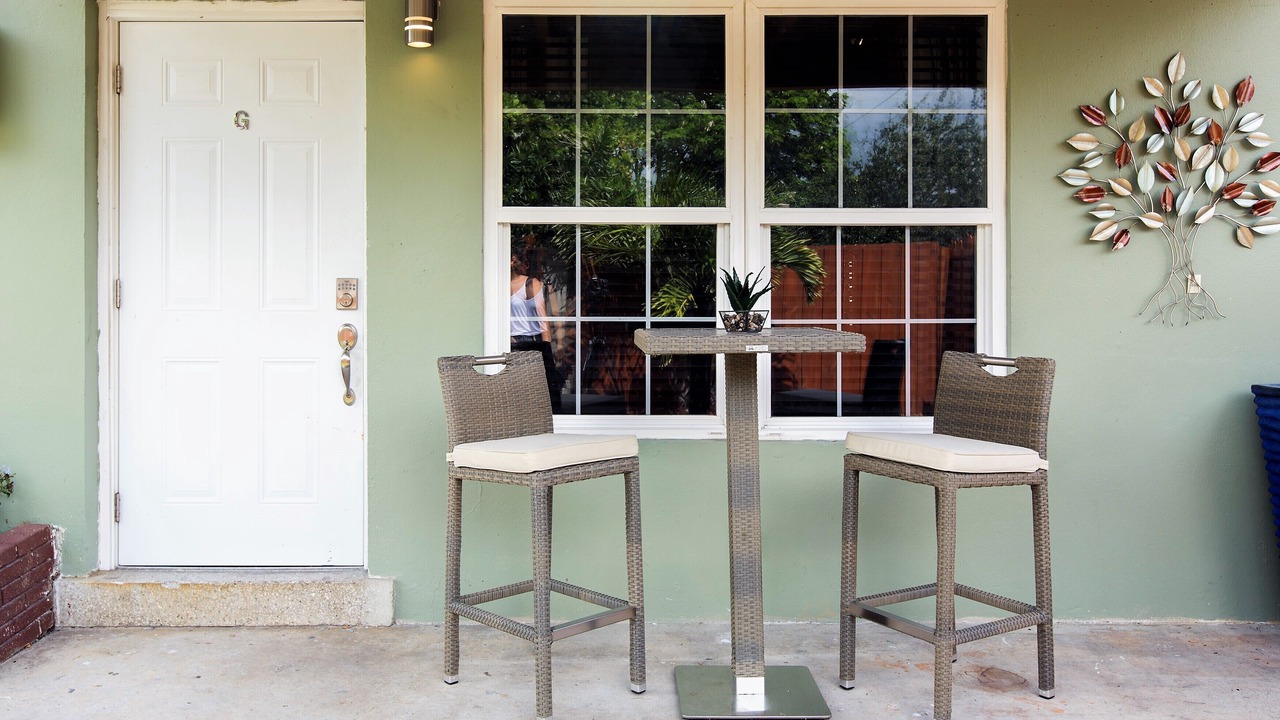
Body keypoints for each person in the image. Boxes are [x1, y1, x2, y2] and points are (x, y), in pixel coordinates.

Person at [510, 246, 565, 410]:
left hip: (529, 341)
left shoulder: (530, 284)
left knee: (539, 391)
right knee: (517, 392)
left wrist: (550, 347)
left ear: (513, 261)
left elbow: (543, 318)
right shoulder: (498, 285)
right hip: (509, 342)